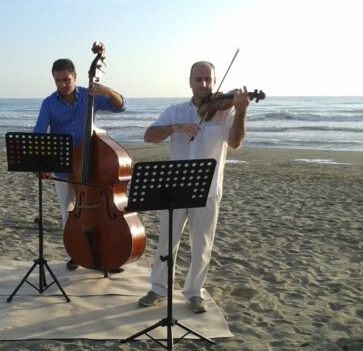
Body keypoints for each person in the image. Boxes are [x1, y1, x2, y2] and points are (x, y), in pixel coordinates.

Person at [138, 61, 251, 313]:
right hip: (174, 188)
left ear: (214, 81)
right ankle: (158, 288)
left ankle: (194, 291)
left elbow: (235, 143)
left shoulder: (226, 112)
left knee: (202, 244)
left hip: (208, 188)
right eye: (198, 79)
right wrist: (177, 128)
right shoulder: (176, 111)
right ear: (190, 82)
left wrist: (241, 111)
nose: (203, 85)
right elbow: (149, 136)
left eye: (208, 80)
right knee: (168, 241)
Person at [33, 58, 126, 270]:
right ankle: (76, 252)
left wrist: (108, 91)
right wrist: (42, 165)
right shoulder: (48, 103)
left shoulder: (89, 95)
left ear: (75, 76)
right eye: (58, 81)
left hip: (91, 164)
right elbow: (39, 134)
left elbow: (121, 106)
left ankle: (105, 252)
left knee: (100, 210)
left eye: (66, 79)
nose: (63, 85)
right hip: (64, 167)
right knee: (69, 212)